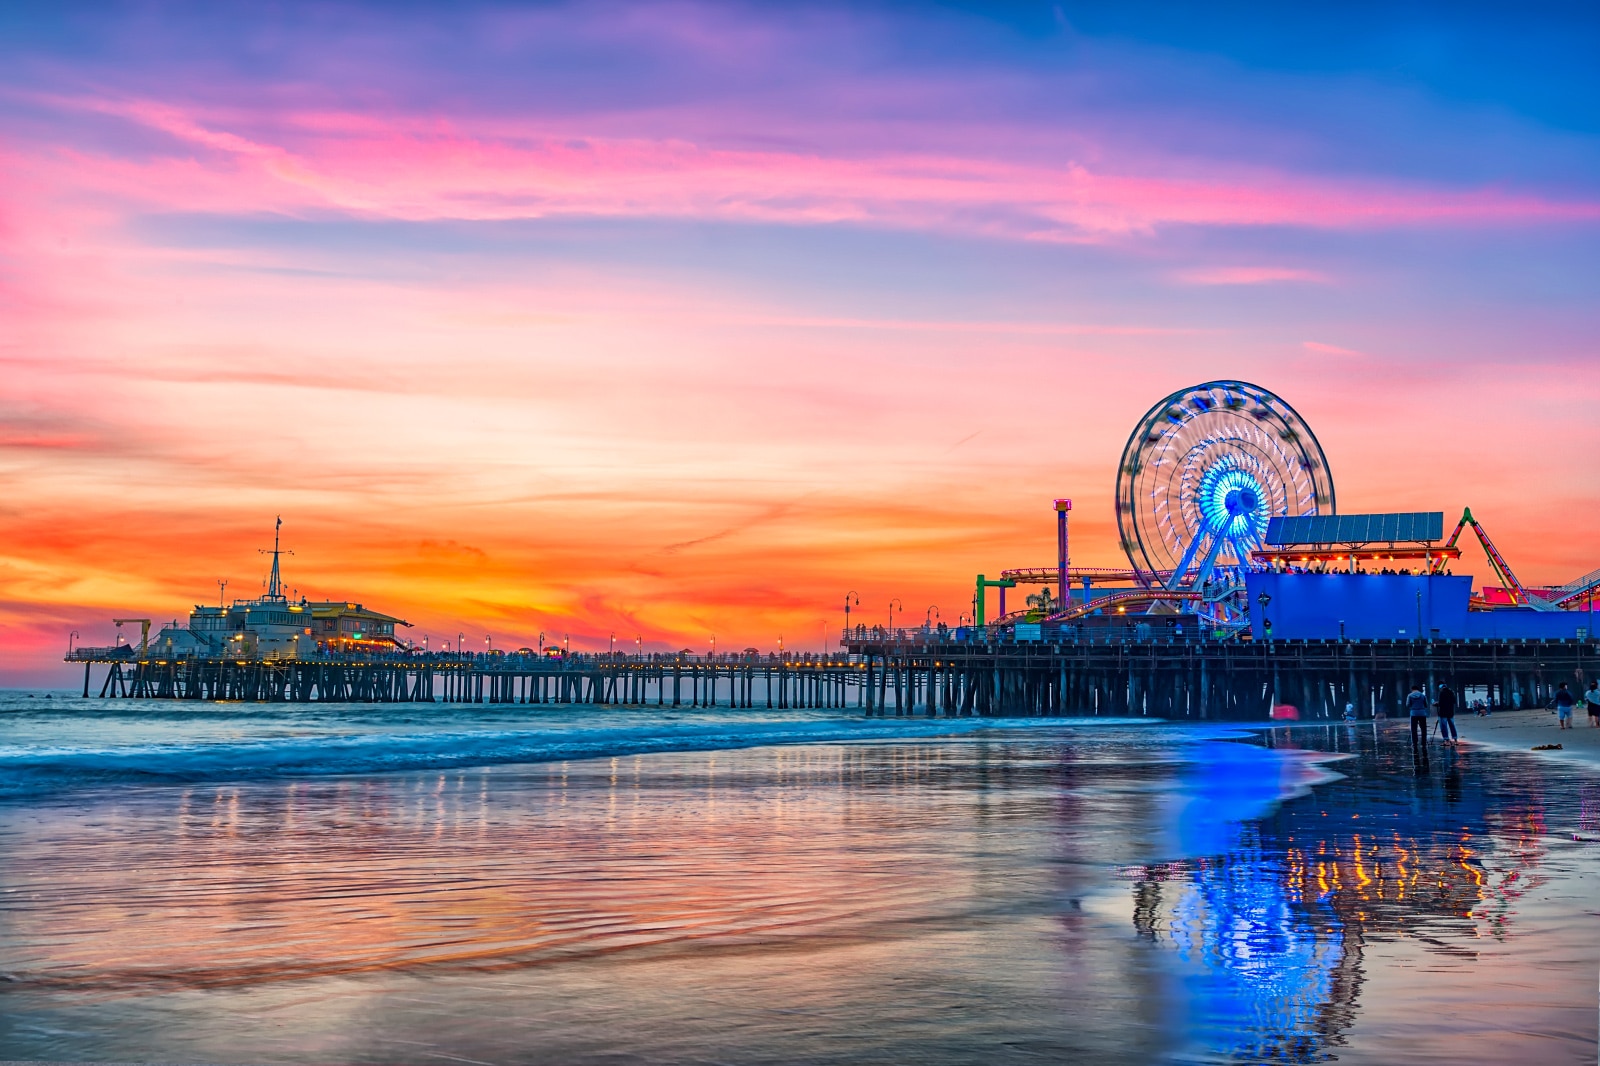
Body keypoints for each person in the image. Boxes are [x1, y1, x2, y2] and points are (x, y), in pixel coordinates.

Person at [1406, 682, 1430, 757]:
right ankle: (1423, 743)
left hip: (1413, 713)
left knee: (1414, 729)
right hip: (1422, 713)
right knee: (1423, 729)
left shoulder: (1410, 695)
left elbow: (1407, 705)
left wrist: (1413, 706)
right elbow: (1426, 704)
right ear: (1418, 689)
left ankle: (1415, 743)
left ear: (1412, 689)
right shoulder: (1423, 695)